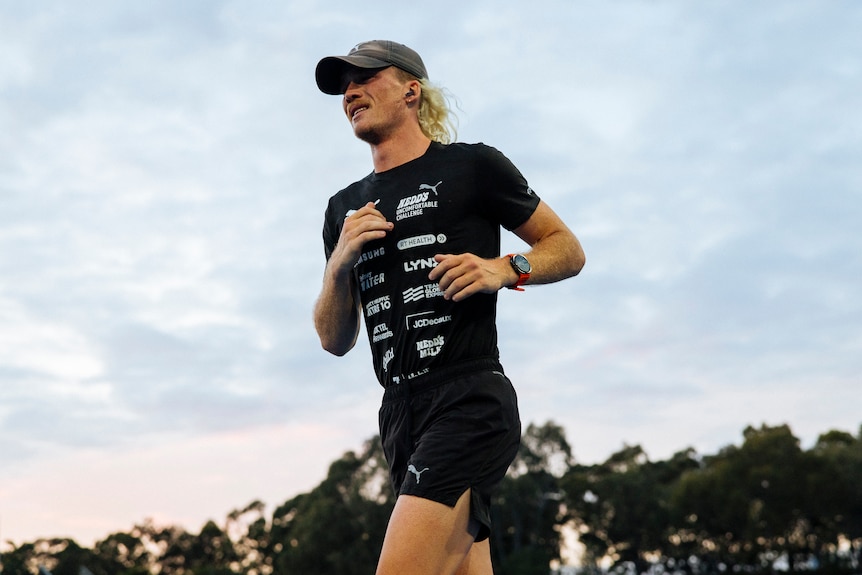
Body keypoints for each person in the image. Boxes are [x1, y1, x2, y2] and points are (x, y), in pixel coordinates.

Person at [313, 40, 585, 575]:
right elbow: (333, 339)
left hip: (468, 398)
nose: (351, 92)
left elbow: (566, 248)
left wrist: (504, 269)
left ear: (411, 91)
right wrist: (339, 263)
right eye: (344, 86)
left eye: (365, 78)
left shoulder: (473, 166)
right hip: (398, 414)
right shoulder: (342, 210)